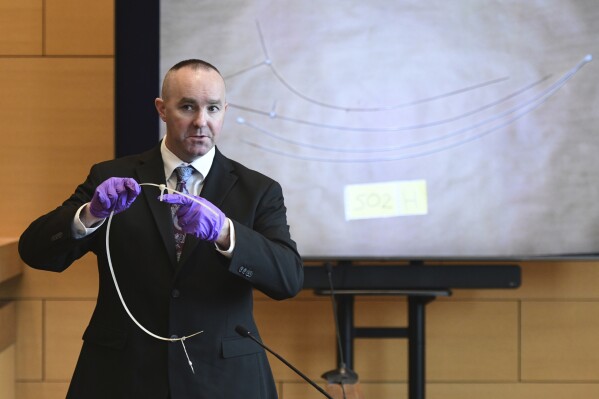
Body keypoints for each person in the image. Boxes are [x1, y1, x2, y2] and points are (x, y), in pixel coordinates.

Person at [18, 59, 304, 399]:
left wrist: (226, 233)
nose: (201, 121)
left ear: (225, 110)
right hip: (122, 377)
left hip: (224, 380)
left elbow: (288, 279)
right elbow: (34, 250)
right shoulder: (110, 177)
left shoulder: (258, 190)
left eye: (213, 108)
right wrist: (90, 214)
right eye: (187, 107)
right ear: (162, 109)